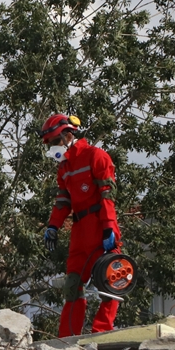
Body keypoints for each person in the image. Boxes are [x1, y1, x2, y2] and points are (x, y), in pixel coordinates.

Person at [41, 113, 121, 337]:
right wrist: (53, 226)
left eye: (54, 142)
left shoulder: (96, 156)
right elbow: (63, 200)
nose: (52, 148)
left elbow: (107, 195)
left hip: (99, 224)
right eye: (50, 144)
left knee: (111, 279)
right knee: (72, 286)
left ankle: (102, 330)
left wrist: (109, 227)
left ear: (68, 136)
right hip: (79, 230)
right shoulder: (64, 167)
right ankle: (67, 337)